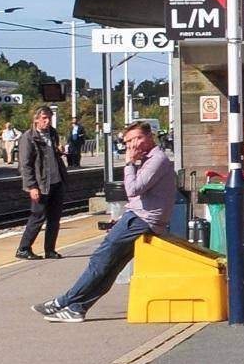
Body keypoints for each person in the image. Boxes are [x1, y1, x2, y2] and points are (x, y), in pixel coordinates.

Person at [35, 120, 174, 322]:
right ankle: (77, 308)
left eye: (138, 138)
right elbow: (139, 197)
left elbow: (133, 189)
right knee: (111, 267)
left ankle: (64, 301)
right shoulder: (147, 159)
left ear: (149, 137)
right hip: (139, 218)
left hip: (141, 220)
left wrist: (128, 162)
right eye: (128, 141)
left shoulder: (156, 160)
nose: (133, 145)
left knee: (100, 260)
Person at [16, 105, 65, 260]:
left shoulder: (52, 134)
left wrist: (59, 151)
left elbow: (52, 155)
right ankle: (23, 248)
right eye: (44, 118)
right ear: (36, 119)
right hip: (41, 184)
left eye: (49, 118)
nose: (47, 121)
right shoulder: (28, 137)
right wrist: (31, 186)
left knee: (54, 218)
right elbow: (25, 165)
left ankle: (50, 249)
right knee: (38, 216)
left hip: (56, 180)